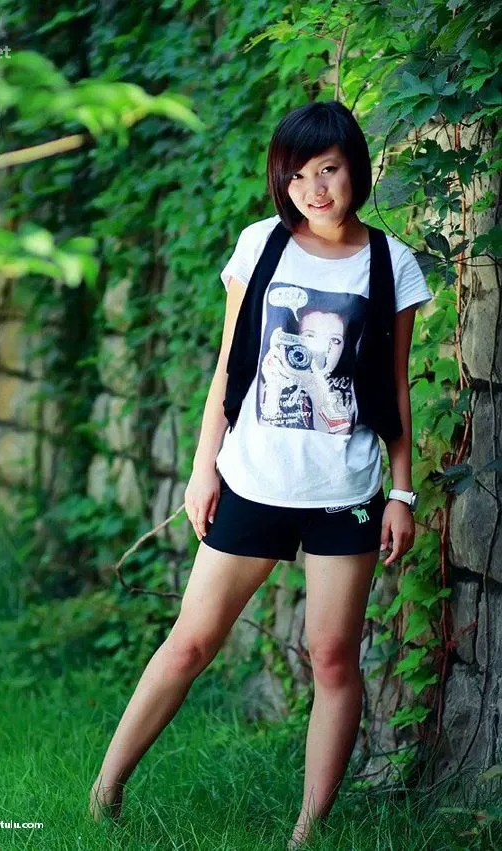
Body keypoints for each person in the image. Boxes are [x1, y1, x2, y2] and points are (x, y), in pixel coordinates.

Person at [89, 100, 433, 848]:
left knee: (332, 658)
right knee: (190, 642)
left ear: (355, 169)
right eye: (298, 175)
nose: (315, 189)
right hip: (251, 479)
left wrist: (401, 492)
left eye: (329, 170)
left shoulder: (390, 263)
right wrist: (202, 469)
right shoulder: (261, 245)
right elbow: (227, 370)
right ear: (282, 179)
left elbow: (394, 386)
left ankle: (308, 832)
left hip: (346, 491)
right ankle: (103, 793)